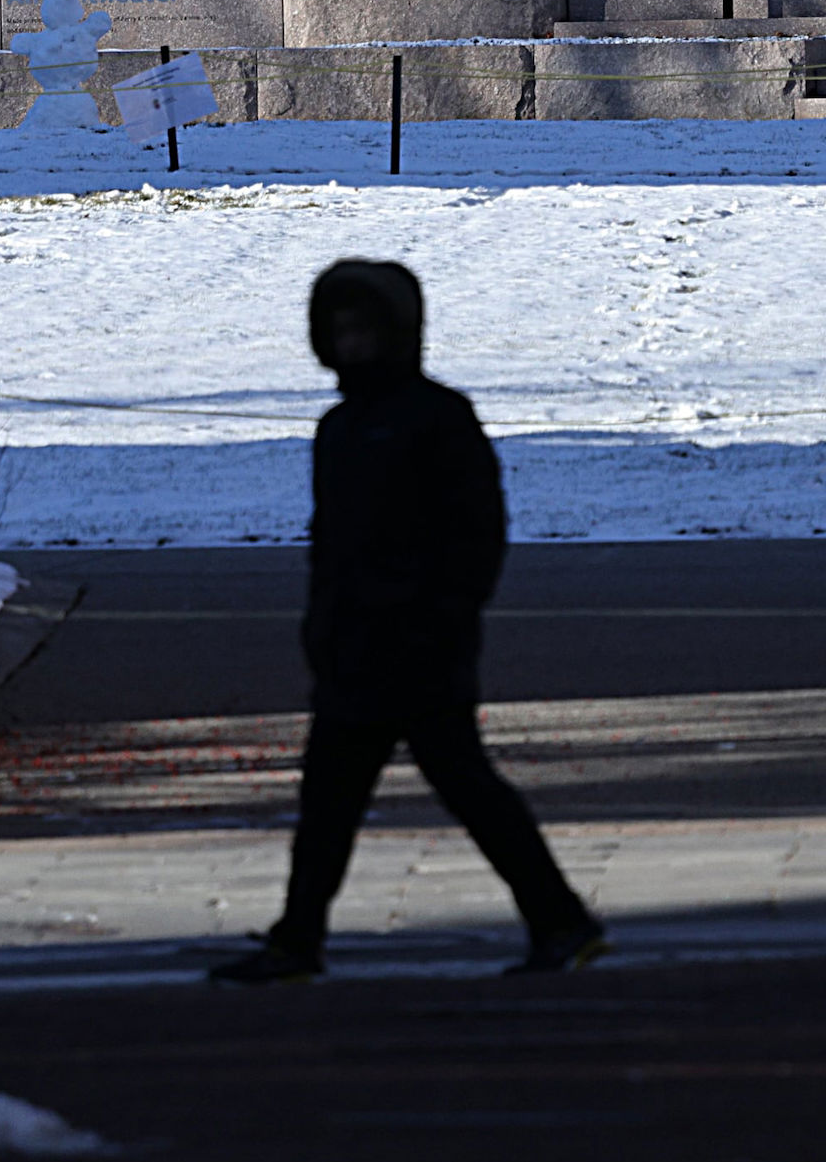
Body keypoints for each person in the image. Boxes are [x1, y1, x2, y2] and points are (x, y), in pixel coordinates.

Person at [210, 257, 607, 984]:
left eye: (365, 327)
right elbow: (330, 542)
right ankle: (299, 937)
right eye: (340, 328)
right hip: (352, 649)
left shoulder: (436, 416)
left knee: (468, 788)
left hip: (421, 646)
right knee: (328, 802)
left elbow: (475, 532)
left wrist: (443, 617)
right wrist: (321, 628)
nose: (352, 341)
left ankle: (561, 919)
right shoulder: (339, 427)